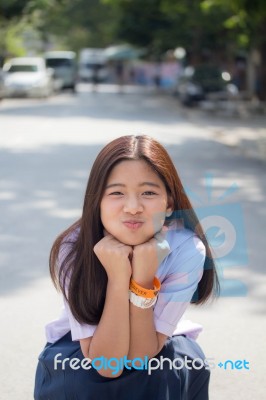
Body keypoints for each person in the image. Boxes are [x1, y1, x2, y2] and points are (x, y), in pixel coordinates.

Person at [34, 135, 219, 400]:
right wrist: (118, 278)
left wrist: (143, 279)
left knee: (179, 363)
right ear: (96, 201)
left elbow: (140, 358)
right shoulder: (74, 247)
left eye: (148, 193)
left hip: (155, 345)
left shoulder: (187, 249)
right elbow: (107, 365)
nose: (133, 208)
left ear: (169, 204)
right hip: (83, 350)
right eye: (117, 193)